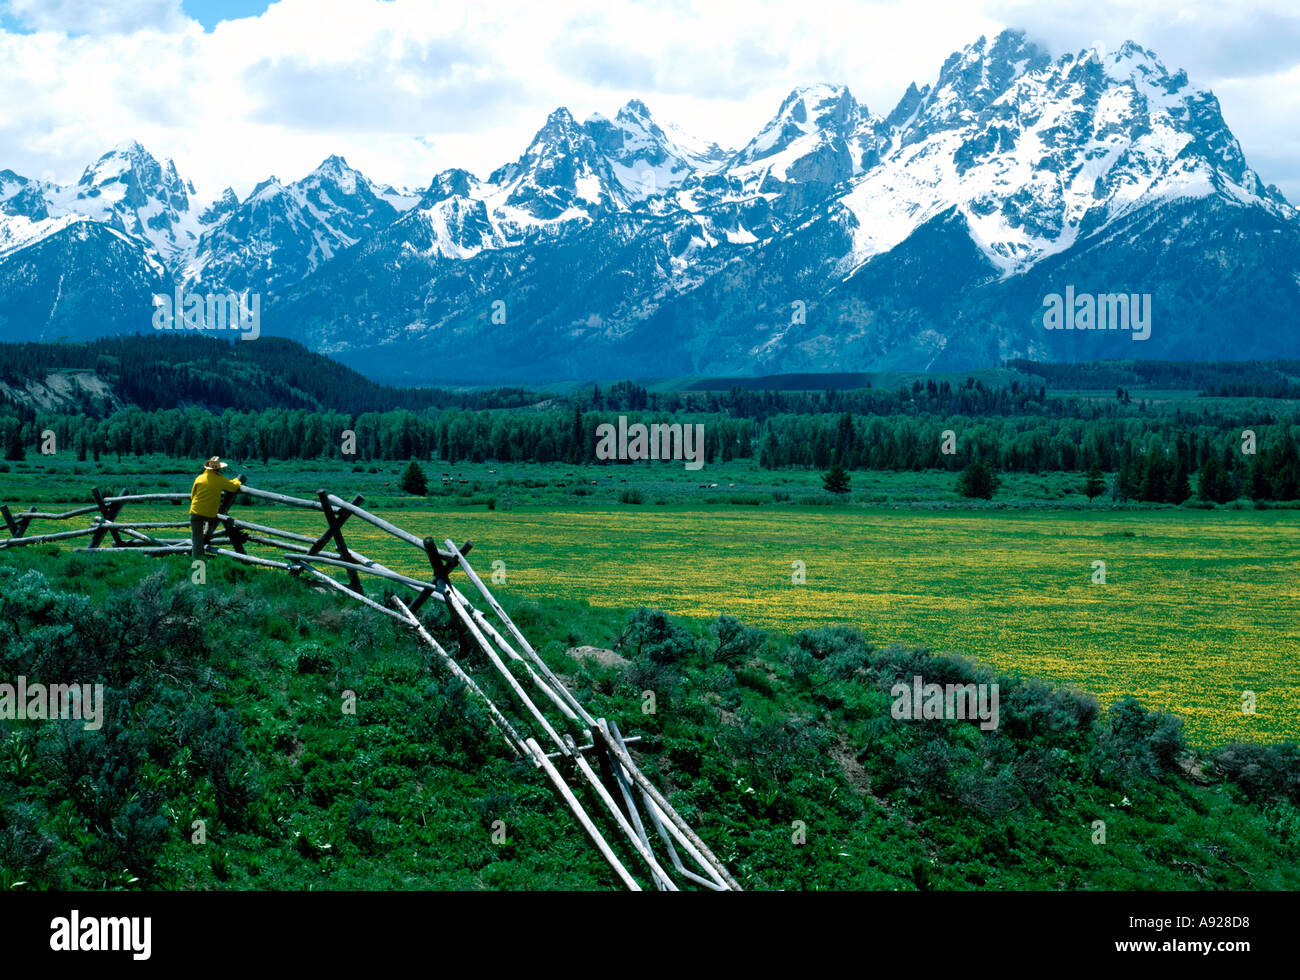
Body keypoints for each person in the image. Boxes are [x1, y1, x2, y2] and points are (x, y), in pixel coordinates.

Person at [190, 457, 243, 558]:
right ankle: (207, 535)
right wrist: (237, 480)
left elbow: (192, 495)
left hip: (195, 511)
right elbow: (233, 486)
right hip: (210, 514)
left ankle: (197, 560)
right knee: (214, 518)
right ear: (218, 469)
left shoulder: (199, 478)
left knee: (196, 540)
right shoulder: (219, 479)